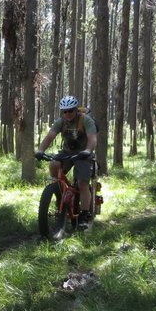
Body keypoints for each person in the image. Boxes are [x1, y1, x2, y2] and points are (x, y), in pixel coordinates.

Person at [36, 95, 97, 229]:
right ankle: (57, 191)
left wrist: (88, 150)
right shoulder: (61, 122)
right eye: (65, 111)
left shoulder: (85, 120)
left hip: (83, 153)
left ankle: (84, 215)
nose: (68, 114)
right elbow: (50, 136)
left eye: (70, 111)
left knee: (82, 183)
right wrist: (40, 150)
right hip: (67, 153)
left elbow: (92, 138)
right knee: (53, 164)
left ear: (75, 110)